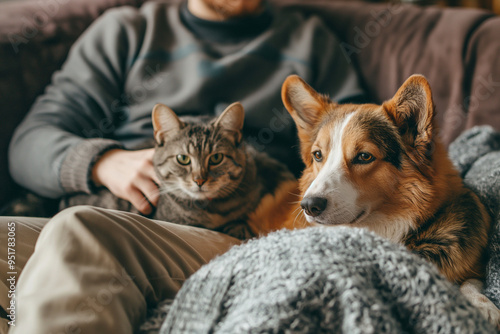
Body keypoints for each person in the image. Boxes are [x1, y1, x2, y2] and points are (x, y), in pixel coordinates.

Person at [0, 0, 365, 333]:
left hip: (231, 225)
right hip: (121, 203)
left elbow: (362, 137)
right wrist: (102, 162)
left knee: (82, 230)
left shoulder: (308, 38)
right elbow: (28, 143)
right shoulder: (126, 32)